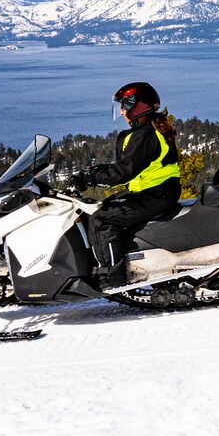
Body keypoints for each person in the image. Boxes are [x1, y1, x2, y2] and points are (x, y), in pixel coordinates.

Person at [76, 81, 182, 285]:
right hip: (154, 191)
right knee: (102, 208)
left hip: (156, 194)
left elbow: (123, 172)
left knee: (102, 221)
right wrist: (97, 171)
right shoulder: (149, 129)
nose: (122, 111)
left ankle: (112, 276)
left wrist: (91, 179)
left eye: (125, 106)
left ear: (139, 106)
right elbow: (131, 164)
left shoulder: (145, 135)